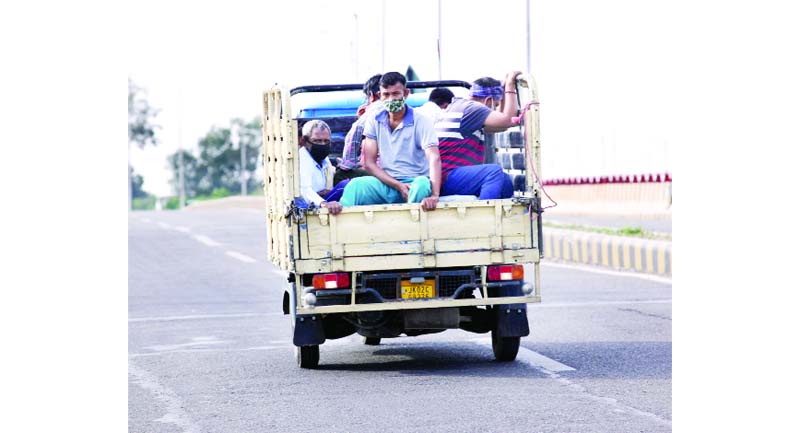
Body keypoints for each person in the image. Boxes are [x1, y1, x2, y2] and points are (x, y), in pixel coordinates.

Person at [339, 72, 441, 211]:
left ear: (406, 93)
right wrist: (397, 185)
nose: (391, 99)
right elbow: (369, 163)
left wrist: (434, 195)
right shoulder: (374, 120)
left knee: (422, 184)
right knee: (355, 186)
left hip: (414, 183)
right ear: (379, 95)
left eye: (396, 94)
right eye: (386, 94)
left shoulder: (421, 120)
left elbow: (434, 158)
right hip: (387, 183)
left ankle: (411, 221)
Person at [434, 70, 521, 200]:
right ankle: (486, 212)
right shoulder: (472, 108)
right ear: (488, 100)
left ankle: (506, 213)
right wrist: (510, 86)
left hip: (446, 176)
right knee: (494, 172)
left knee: (505, 181)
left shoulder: (463, 108)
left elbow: (503, 126)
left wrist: (503, 94)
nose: (496, 109)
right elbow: (509, 120)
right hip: (446, 177)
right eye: (496, 105)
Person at [334, 74, 383, 185]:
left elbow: (349, 160)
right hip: (407, 169)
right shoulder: (406, 112)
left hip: (382, 172)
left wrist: (344, 165)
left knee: (340, 175)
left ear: (371, 95)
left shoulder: (370, 114)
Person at [297, 119, 343, 215]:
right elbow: (304, 189)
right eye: (317, 141)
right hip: (310, 209)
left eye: (326, 141)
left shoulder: (324, 159)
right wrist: (323, 203)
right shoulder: (301, 159)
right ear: (304, 141)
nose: (322, 145)